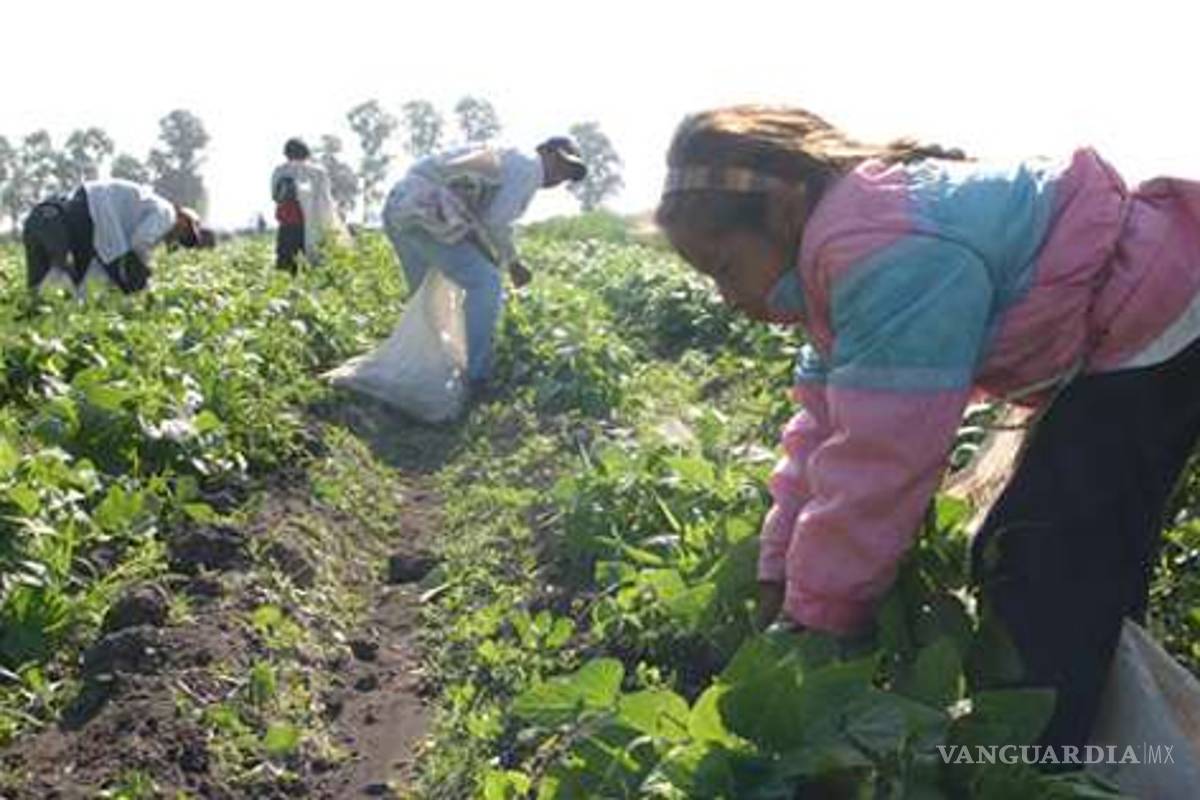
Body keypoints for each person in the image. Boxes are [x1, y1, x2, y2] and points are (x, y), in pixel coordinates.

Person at [655, 105, 1200, 760]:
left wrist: (817, 618)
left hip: (1159, 307)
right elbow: (819, 436)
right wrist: (779, 572)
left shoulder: (880, 255)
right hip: (1139, 317)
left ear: (782, 209)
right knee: (1069, 553)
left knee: (1042, 558)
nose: (724, 296)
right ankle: (1100, 738)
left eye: (722, 266)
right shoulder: (839, 262)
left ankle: (1040, 768)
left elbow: (882, 463)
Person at [381, 137, 588, 396]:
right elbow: (496, 222)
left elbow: (480, 219)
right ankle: (476, 377)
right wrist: (513, 263)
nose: (559, 176)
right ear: (545, 151)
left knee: (426, 294)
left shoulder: (507, 156)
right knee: (486, 282)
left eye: (566, 174)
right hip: (426, 205)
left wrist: (494, 255)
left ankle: (423, 367)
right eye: (560, 165)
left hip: (400, 202)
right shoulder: (529, 167)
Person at [23, 178, 203, 299]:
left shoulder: (155, 208)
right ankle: (65, 298)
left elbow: (122, 248)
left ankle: (54, 301)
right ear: (181, 217)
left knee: (93, 268)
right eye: (185, 231)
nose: (179, 237)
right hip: (96, 206)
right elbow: (140, 241)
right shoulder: (167, 213)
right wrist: (144, 270)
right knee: (90, 267)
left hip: (91, 203)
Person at [271, 137, 346, 273]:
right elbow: (326, 201)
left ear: (287, 153)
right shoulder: (318, 172)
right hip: (313, 224)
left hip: (288, 224)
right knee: (315, 265)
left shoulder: (280, 171)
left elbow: (275, 196)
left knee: (285, 266)